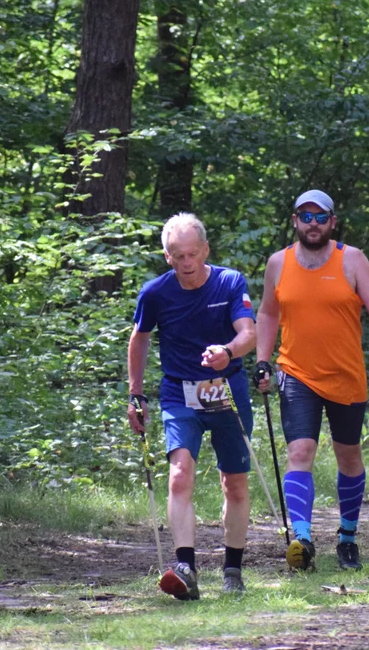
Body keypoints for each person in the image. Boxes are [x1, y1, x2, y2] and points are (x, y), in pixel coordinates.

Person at [255, 189, 369, 571]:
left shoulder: (351, 259)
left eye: (321, 217)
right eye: (305, 216)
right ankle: (302, 540)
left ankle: (347, 537)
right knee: (300, 453)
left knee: (348, 456)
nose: (312, 224)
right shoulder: (278, 263)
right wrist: (263, 360)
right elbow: (267, 315)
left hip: (346, 375)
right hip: (297, 373)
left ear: (333, 222)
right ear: (295, 221)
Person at [127, 213, 257, 599]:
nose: (186, 263)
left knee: (233, 482)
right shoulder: (155, 293)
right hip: (178, 393)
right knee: (180, 473)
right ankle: (185, 568)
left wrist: (228, 351)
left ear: (205, 250)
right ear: (167, 257)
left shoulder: (230, 282)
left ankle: (232, 569)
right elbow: (139, 339)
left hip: (226, 389)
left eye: (192, 254)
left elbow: (249, 333)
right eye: (178, 256)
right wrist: (136, 395)